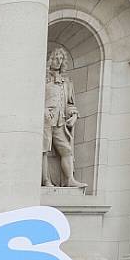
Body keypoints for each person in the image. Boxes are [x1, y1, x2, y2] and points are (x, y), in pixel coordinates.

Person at [42, 47, 86, 188]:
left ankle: (69, 179)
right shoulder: (43, 78)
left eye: (61, 59)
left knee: (66, 150)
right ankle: (45, 180)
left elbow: (69, 104)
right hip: (46, 120)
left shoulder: (66, 82)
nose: (58, 61)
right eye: (56, 58)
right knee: (44, 150)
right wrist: (42, 110)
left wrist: (73, 115)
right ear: (51, 59)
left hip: (60, 121)